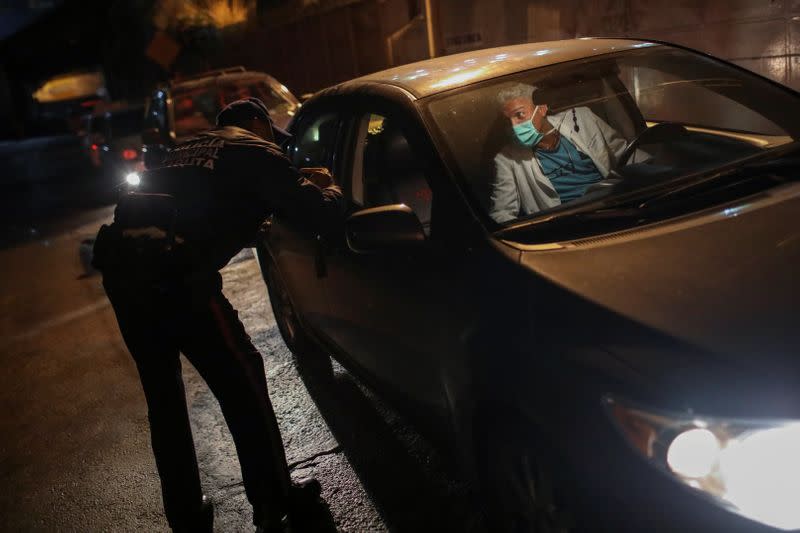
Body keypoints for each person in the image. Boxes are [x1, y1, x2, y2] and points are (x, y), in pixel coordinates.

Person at [92, 97, 343, 532]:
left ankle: (187, 516)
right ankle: (274, 502)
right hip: (177, 279)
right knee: (243, 379)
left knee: (164, 401)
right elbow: (316, 214)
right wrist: (330, 185)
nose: (277, 144)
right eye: (272, 133)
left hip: (123, 274)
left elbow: (212, 210)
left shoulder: (187, 149)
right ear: (258, 124)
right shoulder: (257, 150)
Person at [489, 83, 647, 223]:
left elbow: (628, 156)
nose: (514, 126)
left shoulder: (582, 118)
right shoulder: (507, 159)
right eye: (508, 120)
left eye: (519, 115)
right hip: (566, 225)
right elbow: (501, 212)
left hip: (612, 210)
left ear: (542, 109)